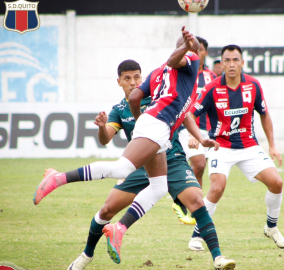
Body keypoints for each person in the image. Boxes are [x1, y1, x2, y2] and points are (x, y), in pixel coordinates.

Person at [33, 27, 231, 267]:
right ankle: (58, 178)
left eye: (135, 76)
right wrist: (188, 48)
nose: (133, 81)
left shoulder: (160, 75)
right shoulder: (187, 61)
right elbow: (173, 61)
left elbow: (140, 99)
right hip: (156, 129)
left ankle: (121, 228)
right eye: (127, 78)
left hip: (163, 143)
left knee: (159, 187)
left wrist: (196, 137)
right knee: (121, 170)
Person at [186, 44, 284, 251]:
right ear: (221, 63)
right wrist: (193, 134)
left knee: (277, 183)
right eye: (227, 60)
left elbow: (264, 114)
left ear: (242, 62)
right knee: (216, 189)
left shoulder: (253, 85)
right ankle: (197, 236)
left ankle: (271, 227)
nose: (232, 64)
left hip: (249, 146)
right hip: (220, 147)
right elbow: (190, 114)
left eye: (236, 60)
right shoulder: (212, 88)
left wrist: (272, 145)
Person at [173, 36, 218, 225]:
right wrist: (193, 133)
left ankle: (194, 205)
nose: (194, 53)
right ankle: (182, 200)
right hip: (187, 127)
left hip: (208, 129)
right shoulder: (182, 73)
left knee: (200, 169)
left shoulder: (211, 77)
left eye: (198, 50)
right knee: (198, 164)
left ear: (204, 53)